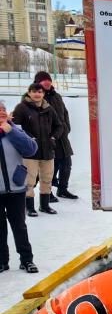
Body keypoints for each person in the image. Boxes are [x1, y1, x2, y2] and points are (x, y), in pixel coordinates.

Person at [13, 82, 63, 217]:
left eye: (40, 92)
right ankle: (29, 207)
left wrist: (53, 138)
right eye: (34, 91)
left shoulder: (49, 108)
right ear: (29, 92)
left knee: (47, 179)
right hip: (30, 152)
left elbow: (59, 126)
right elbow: (16, 126)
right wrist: (28, 138)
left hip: (47, 151)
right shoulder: (22, 108)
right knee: (29, 180)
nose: (37, 94)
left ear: (43, 94)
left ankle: (45, 205)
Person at [0, 102, 39, 273]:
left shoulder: (15, 130)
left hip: (16, 188)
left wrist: (10, 130)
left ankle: (26, 260)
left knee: (19, 225)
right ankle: (2, 261)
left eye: (2, 112)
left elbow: (31, 149)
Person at [35, 71, 75, 200]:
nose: (47, 82)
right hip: (48, 139)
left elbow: (65, 113)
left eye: (49, 80)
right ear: (38, 82)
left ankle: (63, 189)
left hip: (62, 137)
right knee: (50, 167)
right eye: (43, 80)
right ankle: (47, 193)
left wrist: (66, 128)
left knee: (67, 164)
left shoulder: (56, 96)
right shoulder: (36, 96)